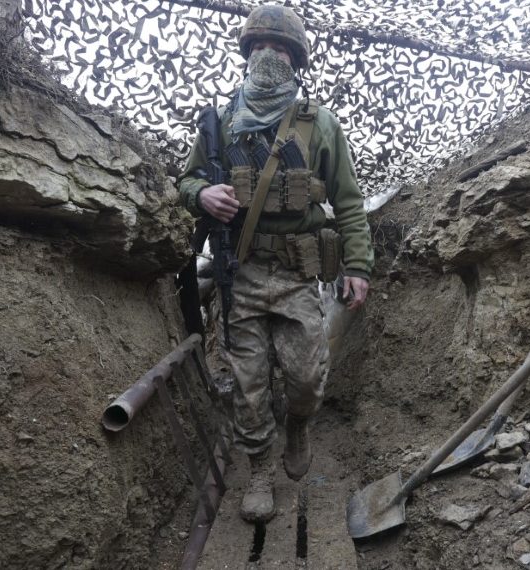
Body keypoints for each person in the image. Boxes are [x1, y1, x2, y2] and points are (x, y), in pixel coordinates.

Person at [177, 5, 373, 523]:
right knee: (248, 381)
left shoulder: (320, 125)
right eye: (259, 45)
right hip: (239, 273)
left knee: (307, 377)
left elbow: (349, 203)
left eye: (279, 47)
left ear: (296, 59)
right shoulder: (218, 124)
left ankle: (299, 425)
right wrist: (203, 194)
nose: (269, 53)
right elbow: (187, 179)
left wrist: (358, 266)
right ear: (247, 54)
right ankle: (260, 468)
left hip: (294, 274)